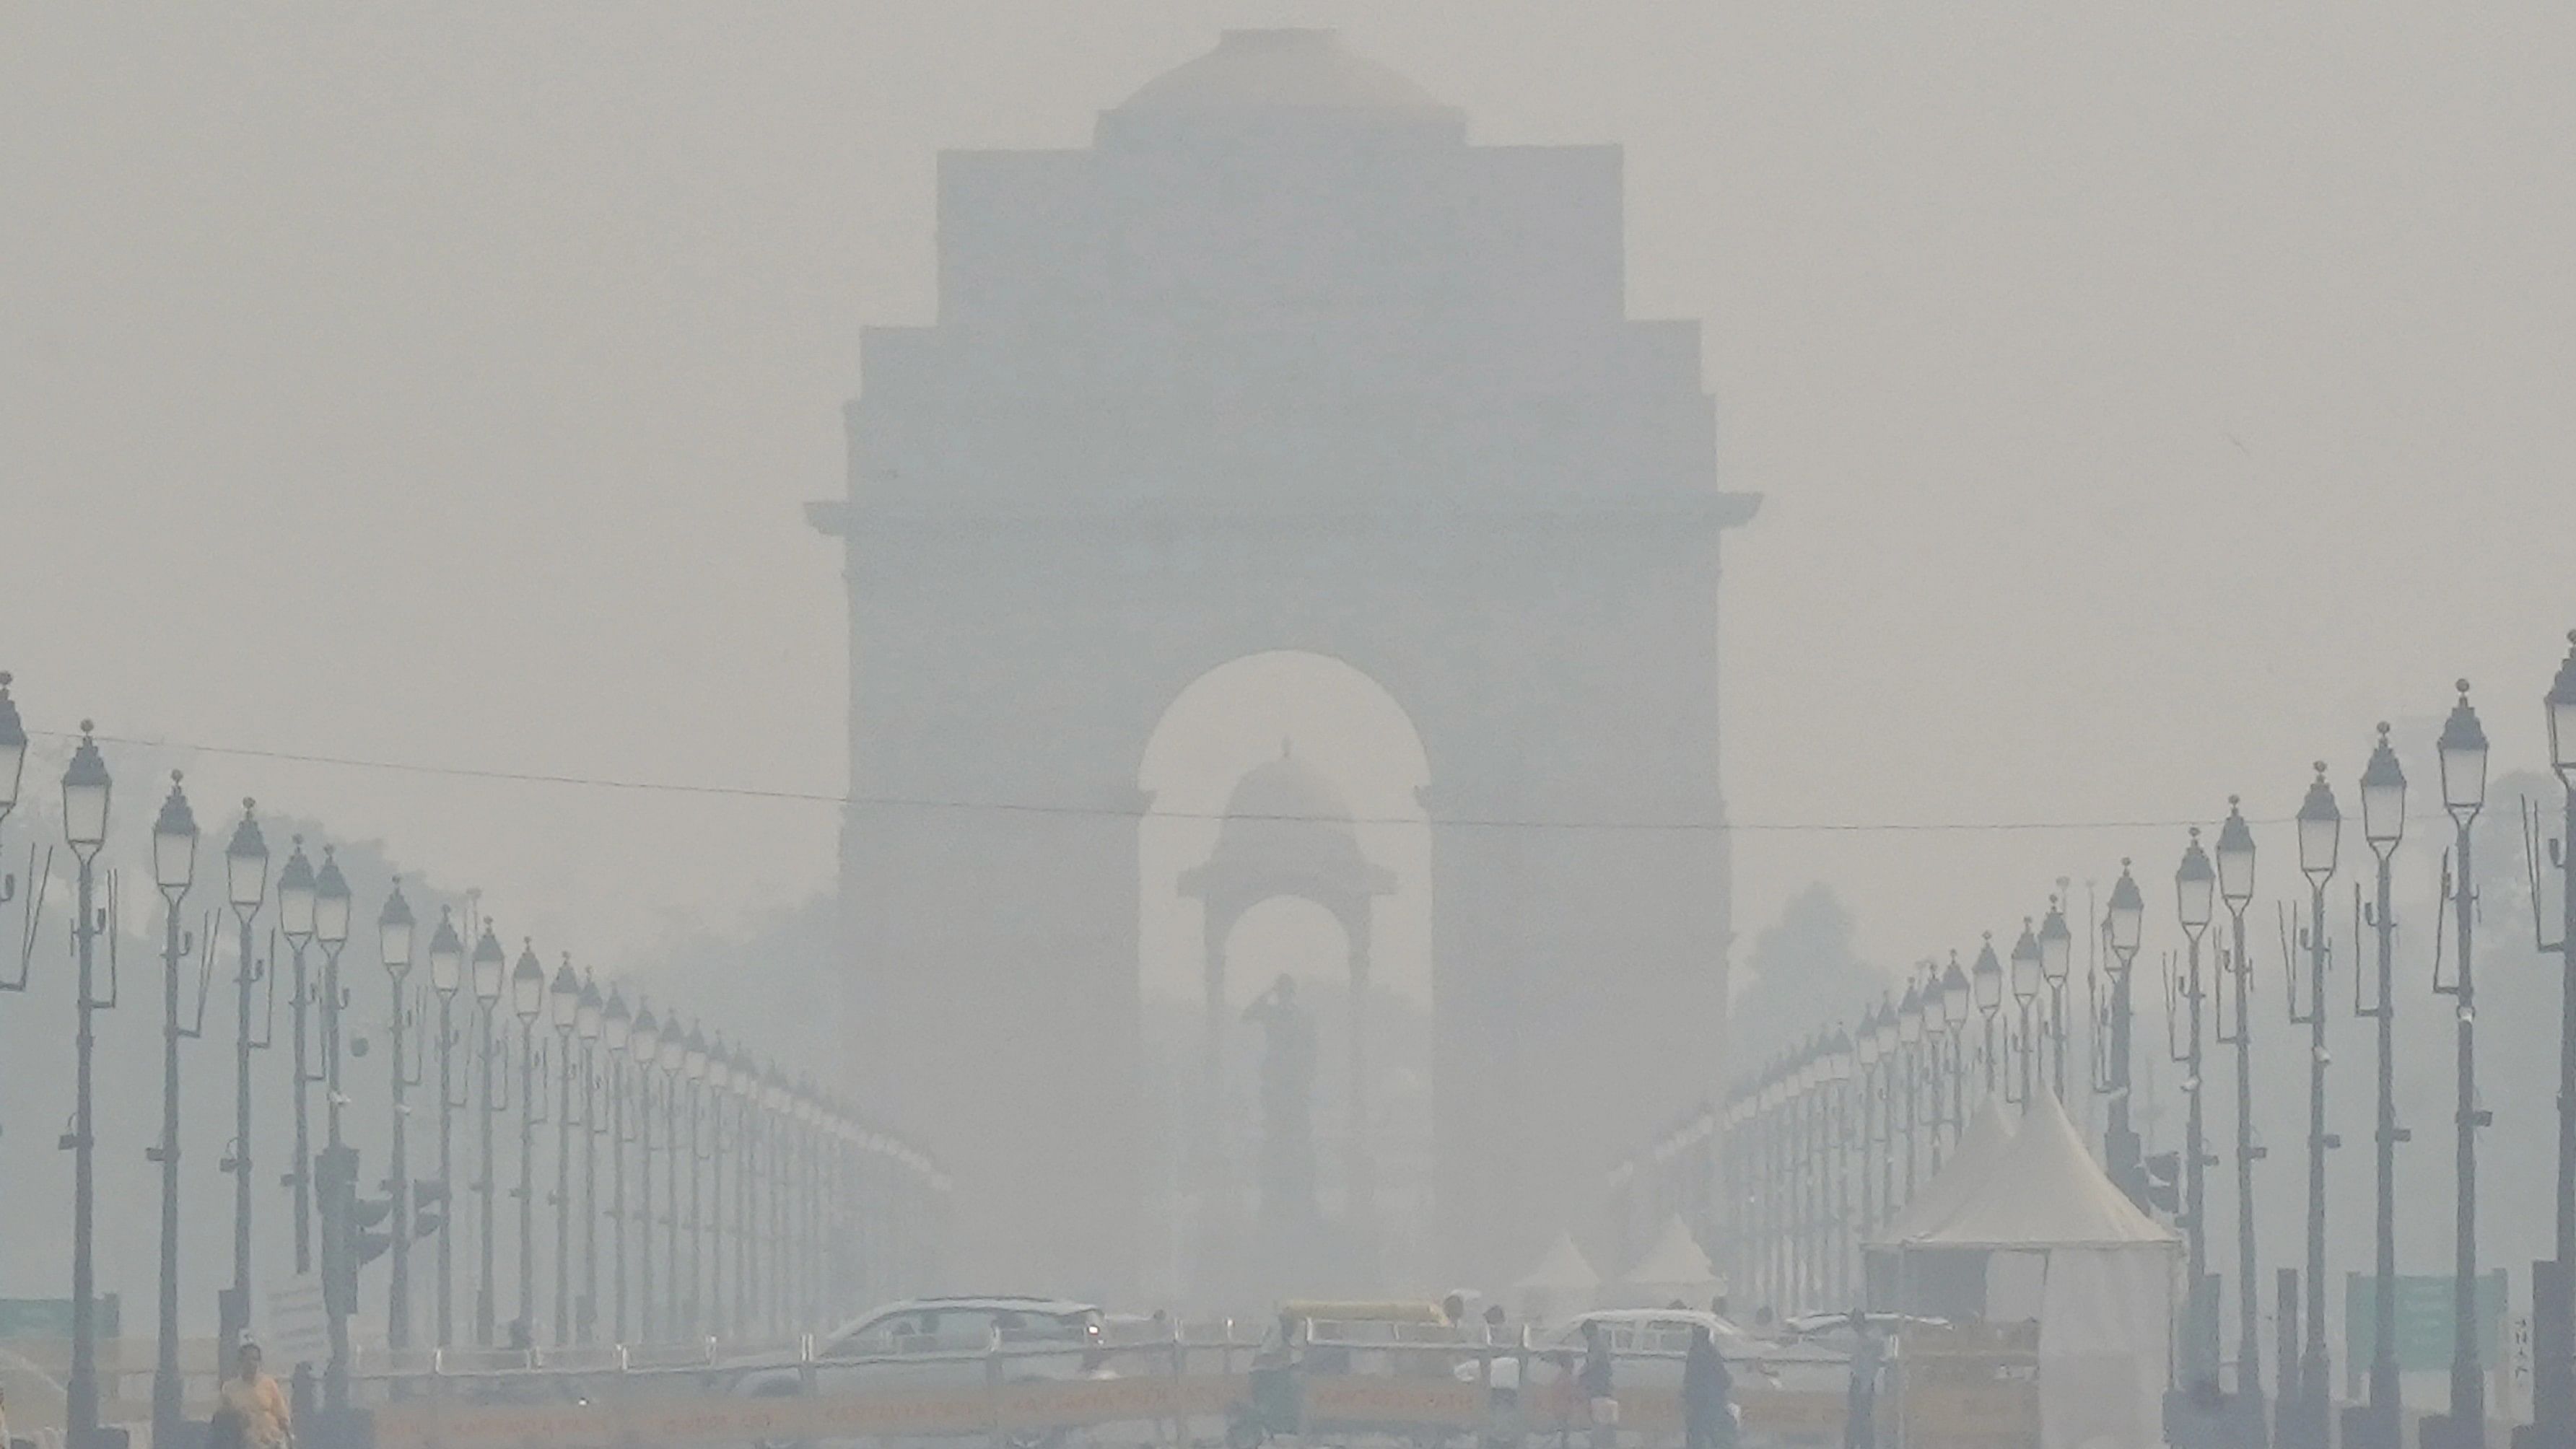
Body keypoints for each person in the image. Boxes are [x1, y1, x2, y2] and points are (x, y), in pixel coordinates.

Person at [219, 1341, 293, 1449]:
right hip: (245, 1443)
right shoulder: (229, 1389)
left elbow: (282, 1414)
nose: (252, 1363)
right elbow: (224, 1421)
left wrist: (289, 1438)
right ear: (240, 1362)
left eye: (255, 1359)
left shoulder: (269, 1383)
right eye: (248, 1360)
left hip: (273, 1441)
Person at [1682, 1324, 1735, 1449]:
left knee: (1697, 1433)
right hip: (1712, 1400)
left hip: (1699, 1402)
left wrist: (1687, 1395)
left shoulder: (1695, 1352)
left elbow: (1689, 1378)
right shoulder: (1711, 1352)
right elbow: (1723, 1377)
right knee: (1713, 1432)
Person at [1843, 1313, 1884, 1449]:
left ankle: (1859, 1443)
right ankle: (1857, 1443)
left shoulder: (1869, 1341)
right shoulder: (1862, 1340)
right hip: (1860, 1382)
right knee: (1858, 1417)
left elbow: (1869, 1365)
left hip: (1862, 1383)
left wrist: (1864, 1387)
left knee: (1861, 1417)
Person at [1577, 1321, 1615, 1449]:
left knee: (1600, 1421)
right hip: (1602, 1387)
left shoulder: (1596, 1344)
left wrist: (1580, 1376)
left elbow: (1591, 1364)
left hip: (1599, 1388)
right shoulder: (1600, 1342)